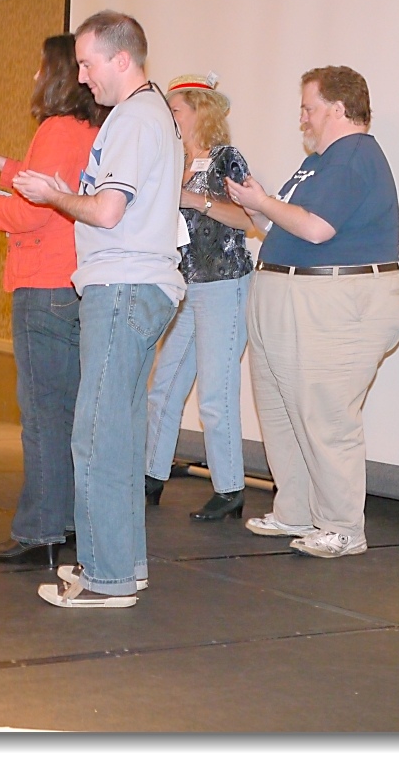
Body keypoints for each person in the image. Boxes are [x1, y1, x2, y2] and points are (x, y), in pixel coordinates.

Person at [13, 11, 185, 608]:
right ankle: (123, 565)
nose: (82, 76)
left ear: (121, 58)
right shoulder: (151, 113)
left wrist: (53, 195)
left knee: (94, 436)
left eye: (88, 64)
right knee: (119, 435)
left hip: (123, 286)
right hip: (141, 286)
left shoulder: (134, 117)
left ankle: (105, 578)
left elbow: (107, 211)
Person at [225, 65, 399, 558]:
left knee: (326, 417)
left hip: (336, 301)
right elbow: (285, 223)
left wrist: (263, 201)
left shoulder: (353, 156)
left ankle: (343, 527)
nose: (302, 117)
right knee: (282, 412)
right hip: (292, 295)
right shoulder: (320, 163)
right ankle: (297, 511)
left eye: (309, 107)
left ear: (338, 109)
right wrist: (256, 205)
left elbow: (316, 228)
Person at [0, 34, 109, 566]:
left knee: (43, 417)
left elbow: (33, 211)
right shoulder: (90, 127)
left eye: (42, 69)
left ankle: (40, 531)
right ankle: (66, 523)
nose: (35, 78)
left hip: (44, 285)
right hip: (74, 283)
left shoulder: (56, 128)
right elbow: (49, 185)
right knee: (67, 414)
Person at [143, 74, 255, 521]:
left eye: (175, 110)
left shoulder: (226, 159)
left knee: (214, 393)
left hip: (224, 284)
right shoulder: (172, 160)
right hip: (184, 286)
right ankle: (151, 476)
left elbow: (248, 218)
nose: (169, 117)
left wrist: (194, 199)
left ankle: (230, 489)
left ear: (200, 112)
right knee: (164, 385)